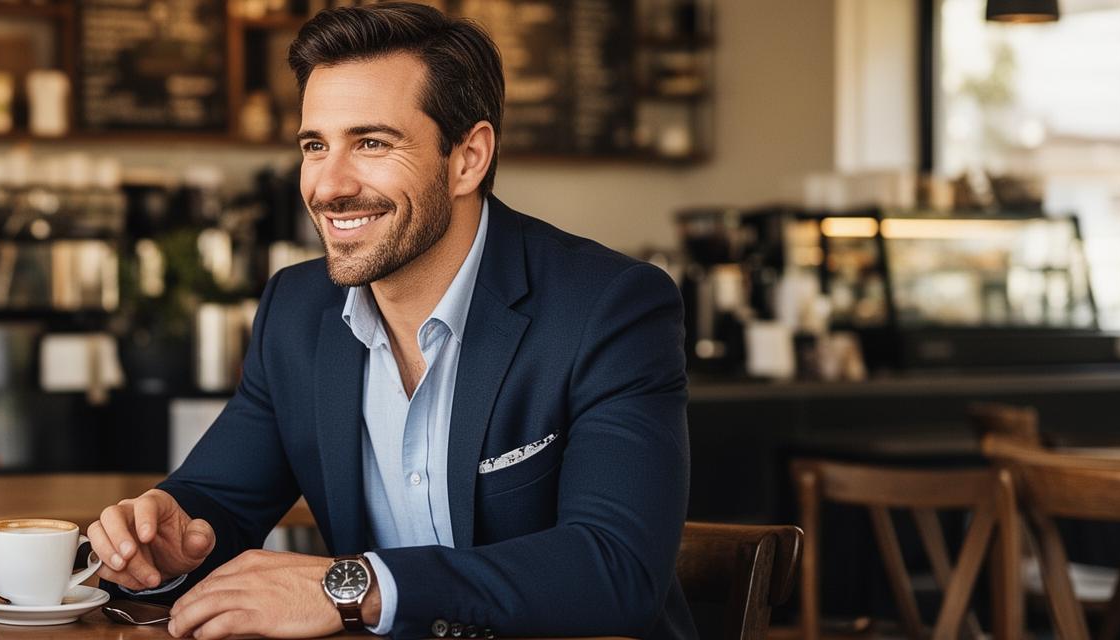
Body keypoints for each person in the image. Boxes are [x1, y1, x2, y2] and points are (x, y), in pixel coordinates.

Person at [86, 3, 694, 639]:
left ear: (468, 158)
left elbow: (615, 568)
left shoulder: (608, 307)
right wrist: (164, 539)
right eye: (315, 146)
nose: (329, 185)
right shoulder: (297, 311)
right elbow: (217, 504)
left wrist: (350, 588)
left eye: (372, 143)